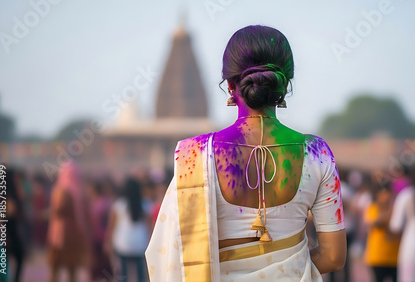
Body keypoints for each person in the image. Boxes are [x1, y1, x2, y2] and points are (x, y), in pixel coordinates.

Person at [146, 25, 346, 281]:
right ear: (284, 85)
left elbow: (168, 259)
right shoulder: (318, 154)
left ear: (230, 85)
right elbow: (333, 257)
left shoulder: (193, 157)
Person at [47, 161, 91, 282]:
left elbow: (55, 212)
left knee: (55, 270)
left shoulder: (58, 191)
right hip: (74, 235)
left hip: (57, 235)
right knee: (72, 271)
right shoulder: (80, 192)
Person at [106, 177, 150, 282]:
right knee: (140, 274)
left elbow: (111, 226)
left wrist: (108, 242)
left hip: (123, 244)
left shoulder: (119, 205)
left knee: (123, 274)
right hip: (140, 244)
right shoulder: (145, 205)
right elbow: (149, 226)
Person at [363, 185, 400, 282]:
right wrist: (389, 213)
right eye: (383, 193)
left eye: (388, 192)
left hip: (395, 257)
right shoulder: (373, 208)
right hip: (377, 256)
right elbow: (374, 223)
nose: (386, 196)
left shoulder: (397, 209)